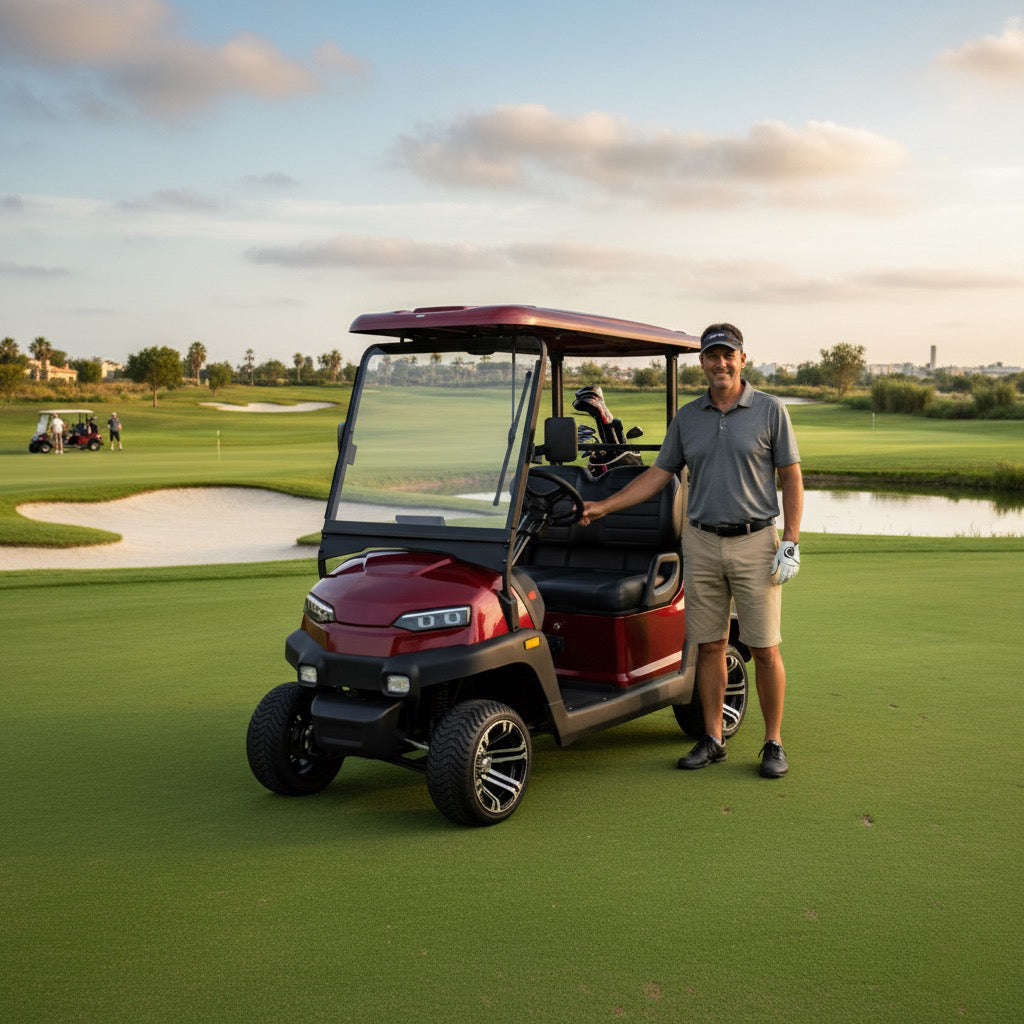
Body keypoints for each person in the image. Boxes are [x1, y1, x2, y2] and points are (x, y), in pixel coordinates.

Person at [580, 323, 803, 778]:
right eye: (712, 356)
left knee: (764, 647)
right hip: (700, 541)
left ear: (742, 359)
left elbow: (791, 477)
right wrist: (603, 506)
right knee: (709, 645)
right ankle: (713, 738)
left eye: (728, 355)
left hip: (755, 541)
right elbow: (657, 475)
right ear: (701, 362)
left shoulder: (770, 410)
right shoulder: (688, 417)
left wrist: (791, 540)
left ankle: (773, 742)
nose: (721, 363)